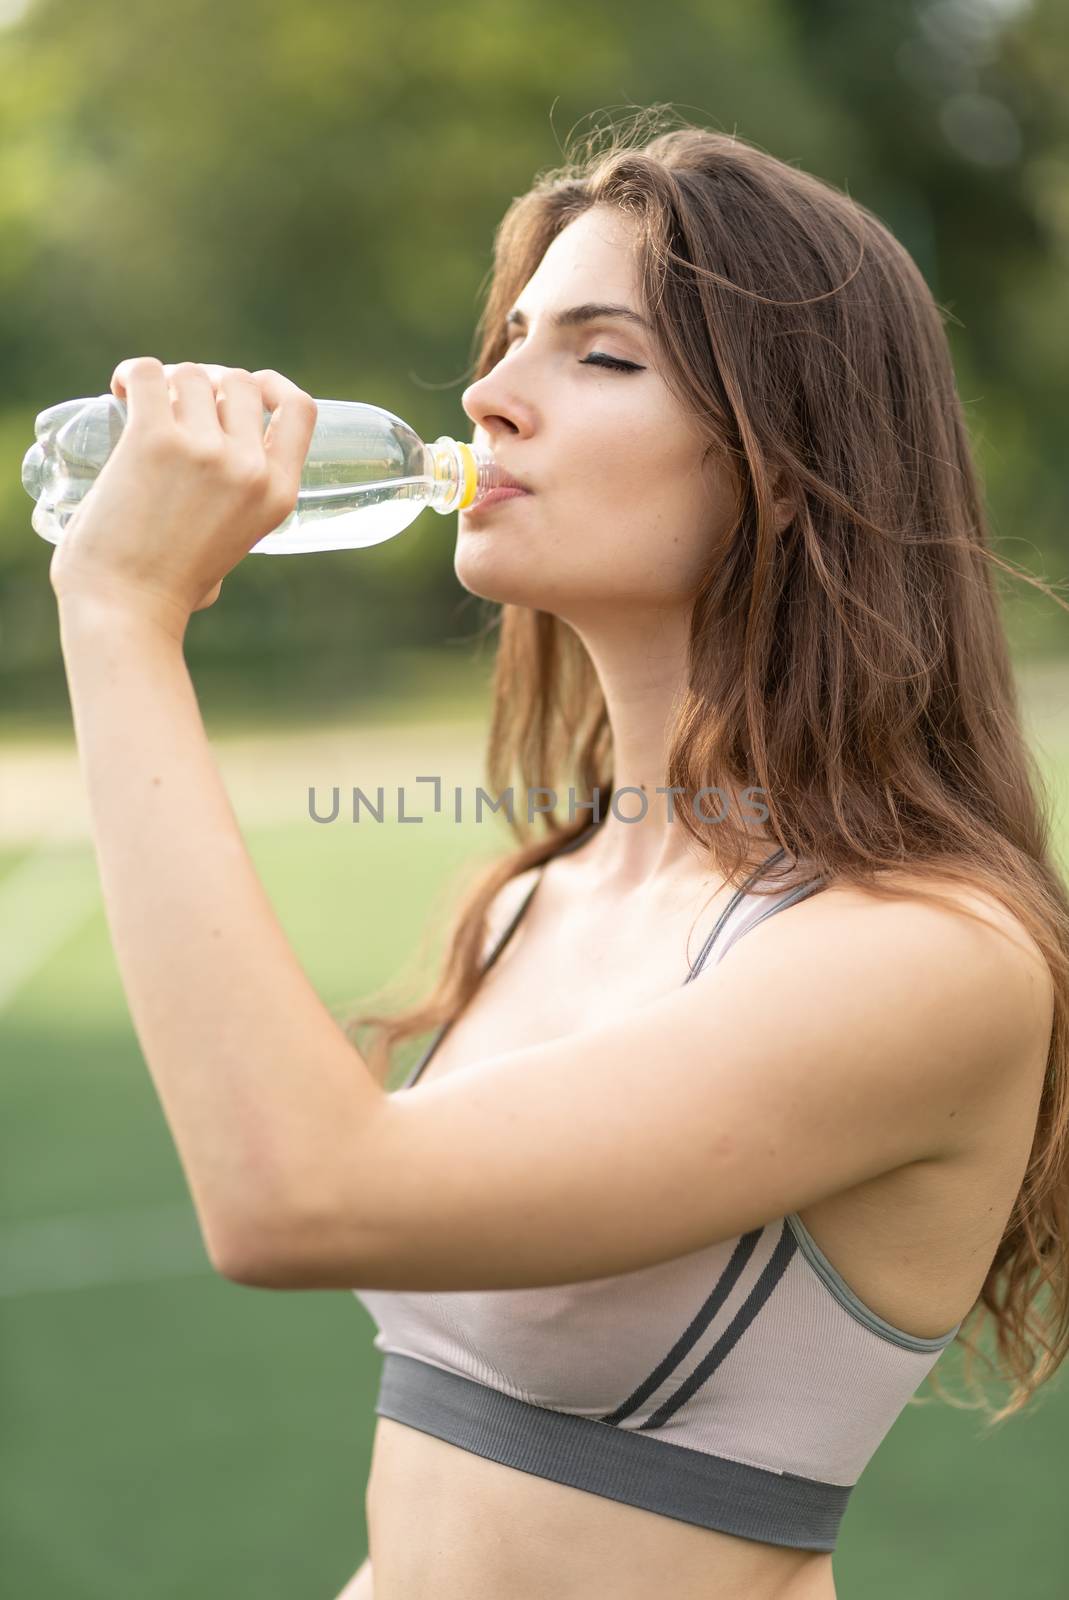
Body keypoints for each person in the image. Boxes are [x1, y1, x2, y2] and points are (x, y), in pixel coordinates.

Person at [47, 112, 1068, 1600]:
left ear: (789, 458)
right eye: (510, 337)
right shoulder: (537, 893)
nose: (485, 398)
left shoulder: (926, 958)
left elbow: (294, 1197)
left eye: (598, 356)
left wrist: (124, 621)